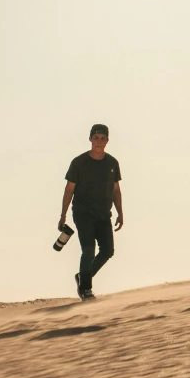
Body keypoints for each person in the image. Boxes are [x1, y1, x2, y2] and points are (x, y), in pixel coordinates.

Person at [59, 124, 123, 300]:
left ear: (108, 141)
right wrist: (63, 215)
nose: (99, 141)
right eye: (96, 138)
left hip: (103, 215)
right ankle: (86, 290)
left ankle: (82, 277)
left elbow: (116, 190)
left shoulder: (112, 163)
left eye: (103, 138)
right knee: (88, 250)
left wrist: (120, 212)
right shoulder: (79, 162)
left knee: (108, 251)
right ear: (90, 139)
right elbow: (69, 190)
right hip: (83, 213)